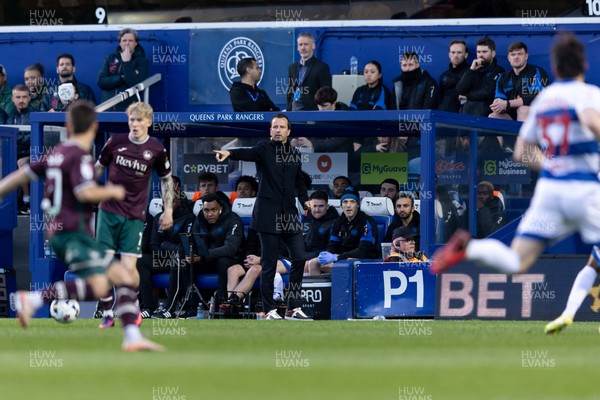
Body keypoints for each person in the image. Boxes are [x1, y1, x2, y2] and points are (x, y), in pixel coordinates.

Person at [430, 34, 600, 338]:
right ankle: (571, 311)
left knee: (516, 260)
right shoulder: (588, 95)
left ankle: (470, 245)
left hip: (550, 191)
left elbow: (522, 152)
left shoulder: (546, 100)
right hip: (585, 191)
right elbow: (590, 119)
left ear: (555, 67)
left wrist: (553, 166)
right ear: (584, 65)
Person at [12, 101, 163, 351]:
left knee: (111, 281)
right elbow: (85, 192)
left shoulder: (56, 153)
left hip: (61, 231)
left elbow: (21, 175)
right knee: (115, 278)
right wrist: (111, 190)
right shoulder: (81, 156)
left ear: (68, 125)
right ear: (94, 127)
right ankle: (33, 298)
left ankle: (132, 337)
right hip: (73, 232)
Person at [214, 113, 311, 320]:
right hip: (268, 215)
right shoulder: (263, 149)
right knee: (268, 263)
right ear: (270, 131)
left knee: (300, 257)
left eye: (281, 127)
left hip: (289, 216)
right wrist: (228, 153)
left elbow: (299, 182)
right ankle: (269, 310)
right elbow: (247, 153)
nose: (277, 130)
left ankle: (293, 307)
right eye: (274, 127)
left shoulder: (294, 153)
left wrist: (305, 201)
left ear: (288, 131)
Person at [94, 102, 174, 328]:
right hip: (108, 212)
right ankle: (108, 311)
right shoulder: (115, 142)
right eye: (131, 120)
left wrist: (168, 210)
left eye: (139, 120)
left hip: (134, 216)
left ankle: (133, 306)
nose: (135, 124)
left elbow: (166, 180)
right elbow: (97, 169)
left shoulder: (157, 149)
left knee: (130, 268)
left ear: (149, 121)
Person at [152, 194, 244, 318]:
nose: (209, 214)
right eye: (206, 210)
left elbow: (230, 249)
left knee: (223, 261)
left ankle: (222, 306)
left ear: (220, 208)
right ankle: (182, 307)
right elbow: (192, 241)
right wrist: (191, 254)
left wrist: (203, 256)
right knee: (182, 258)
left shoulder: (233, 220)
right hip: (205, 259)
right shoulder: (199, 219)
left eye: (213, 210)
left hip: (229, 260)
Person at [136, 176, 194, 318]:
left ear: (178, 202)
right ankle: (148, 307)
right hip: (163, 260)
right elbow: (154, 245)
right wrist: (164, 249)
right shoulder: (158, 219)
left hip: (182, 260)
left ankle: (170, 309)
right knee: (140, 260)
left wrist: (165, 245)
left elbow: (184, 246)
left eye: (172, 201)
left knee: (177, 258)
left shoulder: (188, 218)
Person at [312, 186, 379, 275]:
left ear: (358, 204)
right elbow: (332, 245)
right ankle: (321, 288)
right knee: (312, 263)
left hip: (364, 260)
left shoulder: (366, 222)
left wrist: (337, 257)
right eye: (345, 202)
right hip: (343, 258)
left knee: (346, 262)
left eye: (352, 202)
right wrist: (326, 255)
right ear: (341, 205)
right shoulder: (338, 222)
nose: (348, 205)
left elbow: (363, 250)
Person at [489, 41, 550, 122]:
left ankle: (523, 135)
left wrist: (507, 104)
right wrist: (498, 106)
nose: (516, 57)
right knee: (493, 116)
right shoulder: (502, 77)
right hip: (513, 117)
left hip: (538, 116)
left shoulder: (537, 71)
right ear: (509, 58)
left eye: (520, 54)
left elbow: (537, 97)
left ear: (526, 56)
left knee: (522, 110)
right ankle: (511, 134)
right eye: (513, 54)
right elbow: (500, 99)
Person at [98, 28, 149, 111]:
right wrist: (122, 78)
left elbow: (134, 83)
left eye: (131, 41)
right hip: (107, 109)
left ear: (135, 43)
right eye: (124, 40)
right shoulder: (110, 58)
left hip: (129, 112)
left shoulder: (142, 61)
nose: (127, 43)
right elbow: (101, 82)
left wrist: (127, 62)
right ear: (120, 43)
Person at [456, 37, 505, 117]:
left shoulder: (499, 70)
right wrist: (471, 70)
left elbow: (488, 92)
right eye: (478, 52)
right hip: (467, 114)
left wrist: (467, 96)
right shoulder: (472, 69)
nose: (481, 55)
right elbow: (460, 89)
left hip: (486, 115)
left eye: (484, 51)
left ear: (493, 53)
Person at [287, 32, 332, 111]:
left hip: (312, 113)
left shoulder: (322, 67)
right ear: (297, 48)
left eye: (306, 44)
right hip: (293, 113)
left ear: (313, 46)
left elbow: (326, 94)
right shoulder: (292, 68)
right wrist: (288, 109)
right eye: (300, 45)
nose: (303, 47)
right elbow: (290, 91)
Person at [7, 84, 33, 215]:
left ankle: (27, 200)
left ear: (29, 98)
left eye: (24, 97)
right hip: (14, 153)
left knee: (21, 163)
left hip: (33, 154)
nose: (21, 100)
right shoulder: (10, 117)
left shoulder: (35, 114)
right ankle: (7, 202)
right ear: (12, 99)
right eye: (18, 97)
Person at [303, 190, 339, 274]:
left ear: (327, 206)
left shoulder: (334, 223)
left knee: (307, 264)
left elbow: (331, 250)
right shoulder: (307, 220)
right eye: (314, 206)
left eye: (321, 206)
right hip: (306, 256)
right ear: (310, 206)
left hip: (325, 258)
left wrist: (304, 256)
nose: (317, 210)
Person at [438, 40, 469, 113]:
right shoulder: (444, 76)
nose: (455, 55)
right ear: (449, 54)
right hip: (443, 116)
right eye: (453, 52)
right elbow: (440, 98)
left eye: (459, 52)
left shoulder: (471, 72)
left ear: (466, 55)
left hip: (463, 117)